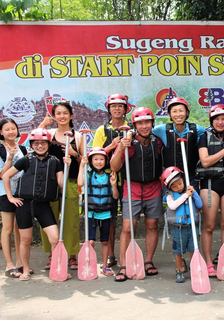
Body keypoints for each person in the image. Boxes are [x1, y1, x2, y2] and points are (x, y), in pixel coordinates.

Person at [3, 129, 71, 281]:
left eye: (43, 143)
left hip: (43, 205)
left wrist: (68, 166)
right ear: (32, 145)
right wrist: (10, 197)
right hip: (25, 205)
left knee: (54, 238)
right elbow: (5, 176)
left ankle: (56, 268)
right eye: (36, 143)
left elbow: (61, 183)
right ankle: (25, 269)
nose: (40, 146)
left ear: (48, 144)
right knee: (25, 240)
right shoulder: (26, 160)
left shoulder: (55, 161)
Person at [110, 107, 164, 281]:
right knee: (128, 227)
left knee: (152, 225)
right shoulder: (128, 143)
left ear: (152, 123)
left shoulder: (158, 142)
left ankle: (148, 261)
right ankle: (124, 265)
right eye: (140, 123)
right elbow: (114, 166)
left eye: (147, 122)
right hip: (132, 189)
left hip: (153, 187)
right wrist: (120, 148)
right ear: (134, 125)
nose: (144, 126)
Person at [196, 104, 224, 277]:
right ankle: (208, 262)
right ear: (212, 121)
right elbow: (206, 161)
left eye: (223, 119)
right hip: (210, 184)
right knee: (208, 226)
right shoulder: (204, 137)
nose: (220, 122)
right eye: (217, 119)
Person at [38, 101, 83, 271]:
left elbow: (84, 160)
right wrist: (43, 124)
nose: (62, 116)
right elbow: (35, 144)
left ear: (71, 115)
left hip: (70, 183)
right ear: (54, 116)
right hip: (49, 184)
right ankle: (53, 253)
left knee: (71, 220)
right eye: (58, 113)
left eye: (65, 113)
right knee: (49, 219)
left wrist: (74, 154)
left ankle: (71, 255)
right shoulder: (48, 134)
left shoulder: (78, 137)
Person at [92, 93, 133, 269]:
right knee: (109, 218)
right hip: (107, 178)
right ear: (109, 109)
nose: (117, 109)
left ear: (125, 109)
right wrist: (112, 145)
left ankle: (128, 254)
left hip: (128, 177)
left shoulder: (132, 128)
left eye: (120, 106)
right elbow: (94, 154)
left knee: (128, 219)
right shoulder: (102, 130)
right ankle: (110, 254)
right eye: (113, 106)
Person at [0, 118, 27, 278]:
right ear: (1, 132)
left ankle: (20, 262)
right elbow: (1, 174)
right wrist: (10, 158)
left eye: (13, 128)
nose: (11, 132)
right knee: (7, 229)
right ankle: (9, 265)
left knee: (20, 229)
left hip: (21, 193)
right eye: (7, 129)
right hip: (5, 194)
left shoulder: (23, 149)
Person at [77, 147, 119, 276]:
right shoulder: (88, 175)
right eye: (95, 159)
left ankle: (105, 266)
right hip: (91, 213)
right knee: (90, 241)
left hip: (106, 213)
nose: (99, 162)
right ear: (91, 161)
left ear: (105, 161)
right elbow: (79, 182)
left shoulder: (109, 176)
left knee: (105, 241)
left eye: (101, 159)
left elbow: (116, 196)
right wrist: (81, 166)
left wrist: (113, 184)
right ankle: (89, 264)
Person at [152, 97, 205, 188]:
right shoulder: (162, 130)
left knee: (192, 201)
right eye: (174, 111)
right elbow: (144, 130)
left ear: (187, 112)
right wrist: (131, 133)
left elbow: (211, 134)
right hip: (170, 179)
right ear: (169, 114)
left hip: (191, 177)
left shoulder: (197, 129)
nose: (178, 114)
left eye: (181, 111)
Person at [161, 166, 203, 283]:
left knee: (193, 249)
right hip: (178, 228)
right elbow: (173, 206)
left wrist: (193, 193)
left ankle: (195, 269)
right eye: (174, 186)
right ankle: (179, 270)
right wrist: (186, 195)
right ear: (169, 187)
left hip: (191, 226)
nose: (178, 187)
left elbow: (200, 204)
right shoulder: (170, 195)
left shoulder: (189, 191)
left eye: (180, 184)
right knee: (178, 251)